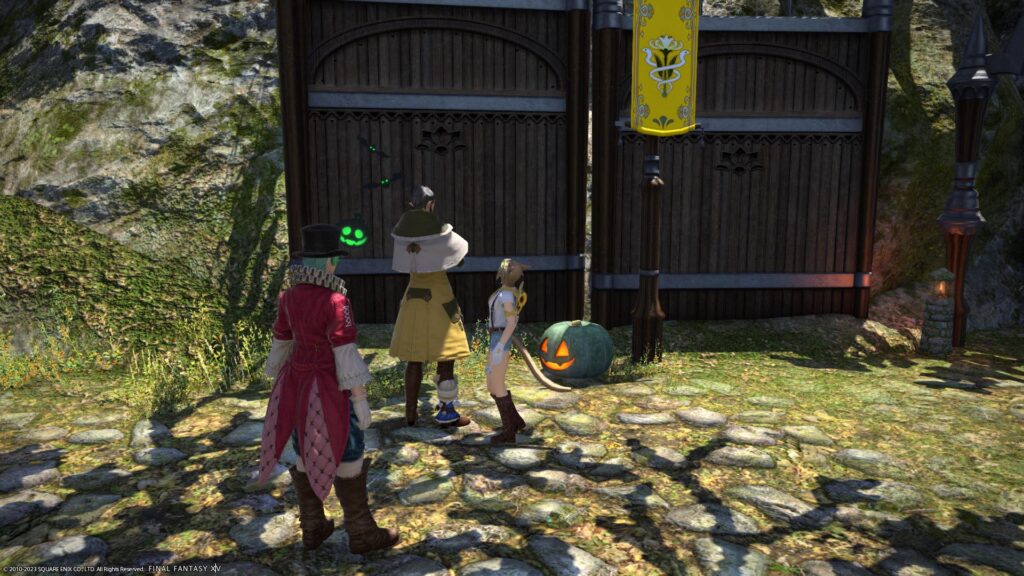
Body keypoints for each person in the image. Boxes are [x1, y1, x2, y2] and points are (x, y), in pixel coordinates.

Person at [256, 224, 399, 554]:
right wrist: (360, 399)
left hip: (295, 382)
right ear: (330, 262)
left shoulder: (288, 298)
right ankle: (361, 532)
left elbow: (281, 340)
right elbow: (344, 351)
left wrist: (276, 381)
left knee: (305, 445)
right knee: (347, 445)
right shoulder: (337, 300)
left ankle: (312, 526)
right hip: (329, 384)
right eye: (335, 259)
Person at [390, 185, 472, 427]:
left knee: (414, 358)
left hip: (413, 298)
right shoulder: (439, 230)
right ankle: (447, 412)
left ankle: (410, 413)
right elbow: (459, 257)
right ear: (430, 204)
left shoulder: (401, 232)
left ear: (411, 204)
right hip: (439, 298)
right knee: (445, 356)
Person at [485, 259, 529, 443]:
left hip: (500, 339)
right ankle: (516, 421)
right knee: (491, 385)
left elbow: (511, 323)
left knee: (497, 385)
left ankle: (509, 431)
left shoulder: (507, 295)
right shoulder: (503, 293)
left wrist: (500, 346)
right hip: (496, 338)